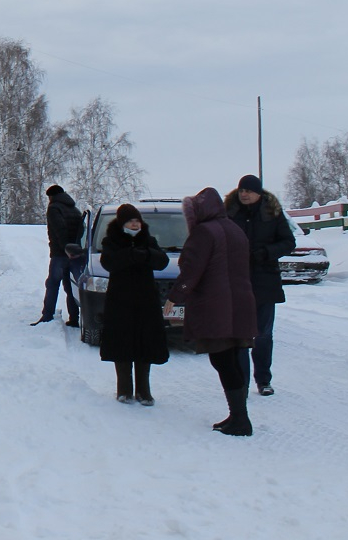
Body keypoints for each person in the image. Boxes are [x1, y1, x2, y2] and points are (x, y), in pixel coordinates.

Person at [165, 187, 258, 436]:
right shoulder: (234, 229)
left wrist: (174, 298)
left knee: (222, 359)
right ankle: (239, 415)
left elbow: (192, 271)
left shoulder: (204, 233)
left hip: (215, 306)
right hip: (240, 304)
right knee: (232, 359)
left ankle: (240, 419)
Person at [224, 174, 295, 396]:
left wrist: (265, 253)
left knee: (263, 334)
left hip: (265, 281)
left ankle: (263, 379)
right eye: (241, 190)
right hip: (236, 281)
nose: (244, 194)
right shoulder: (229, 213)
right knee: (240, 334)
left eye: (248, 191)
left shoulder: (272, 213)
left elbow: (288, 242)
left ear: (258, 193)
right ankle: (241, 382)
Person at [97, 203, 170, 405]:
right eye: (131, 221)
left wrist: (147, 254)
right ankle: (124, 388)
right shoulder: (111, 241)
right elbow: (108, 263)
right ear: (122, 223)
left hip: (145, 301)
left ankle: (144, 390)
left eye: (137, 220)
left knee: (145, 342)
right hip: (120, 301)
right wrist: (129, 255)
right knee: (122, 342)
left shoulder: (149, 240)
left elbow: (162, 262)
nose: (135, 224)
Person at [33, 184, 85, 327]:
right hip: (75, 254)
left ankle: (47, 315)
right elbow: (82, 230)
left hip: (61, 254)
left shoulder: (54, 208)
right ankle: (74, 318)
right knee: (70, 286)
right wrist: (75, 249)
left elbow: (59, 229)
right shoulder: (75, 209)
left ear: (51, 196)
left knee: (52, 284)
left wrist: (65, 248)